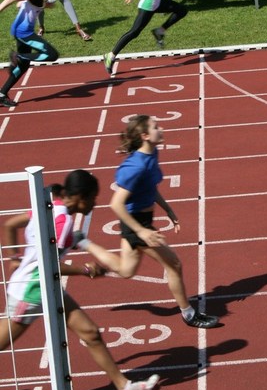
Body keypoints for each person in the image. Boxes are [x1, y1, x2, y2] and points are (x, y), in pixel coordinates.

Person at [0, 170, 159, 390]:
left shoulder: (51, 207)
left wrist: (15, 259)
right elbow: (48, 266)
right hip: (30, 292)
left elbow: (10, 225)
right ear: (81, 197)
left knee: (90, 333)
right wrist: (85, 270)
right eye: (93, 198)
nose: (95, 204)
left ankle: (124, 388)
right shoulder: (63, 222)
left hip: (47, 287)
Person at [73, 115, 220, 330]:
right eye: (155, 127)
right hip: (136, 223)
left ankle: (82, 241)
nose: (161, 129)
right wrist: (141, 231)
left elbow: (150, 187)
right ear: (145, 136)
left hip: (140, 222)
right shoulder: (136, 167)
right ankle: (189, 314)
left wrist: (168, 209)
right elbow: (116, 204)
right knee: (174, 264)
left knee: (126, 271)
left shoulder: (152, 154)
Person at [0, 0, 60, 108]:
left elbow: (19, 4)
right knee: (52, 54)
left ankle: (1, 94)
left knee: (23, 66)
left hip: (21, 31)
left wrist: (44, 5)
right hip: (24, 33)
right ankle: (18, 56)